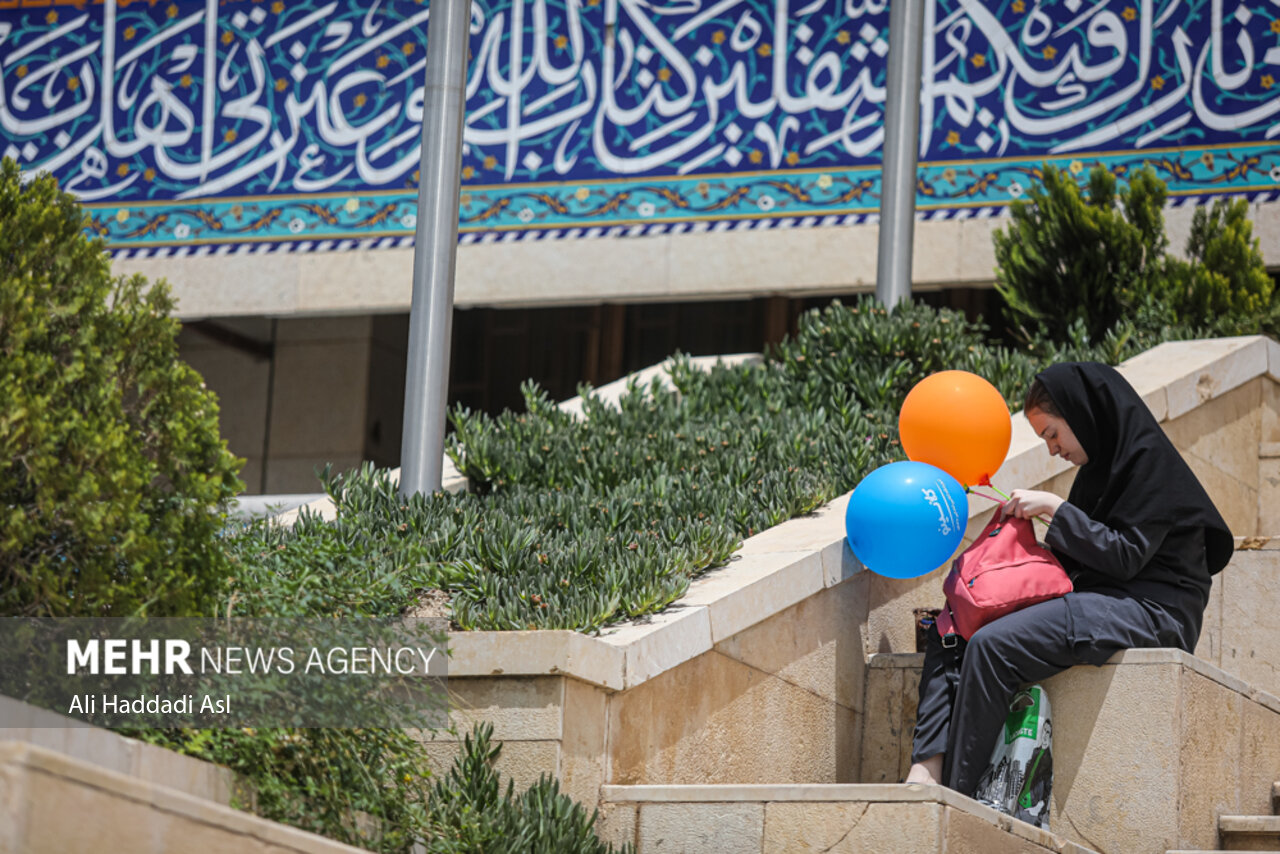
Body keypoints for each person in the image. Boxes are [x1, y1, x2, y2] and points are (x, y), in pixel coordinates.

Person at [904, 362, 1234, 796]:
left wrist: (1054, 508)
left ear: (1082, 414)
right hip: (1097, 599)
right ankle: (926, 767)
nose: (1053, 450)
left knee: (994, 645)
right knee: (954, 622)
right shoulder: (1098, 472)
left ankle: (955, 796)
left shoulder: (1151, 464)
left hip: (1154, 611)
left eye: (1053, 434)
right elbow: (1072, 560)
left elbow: (1125, 556)